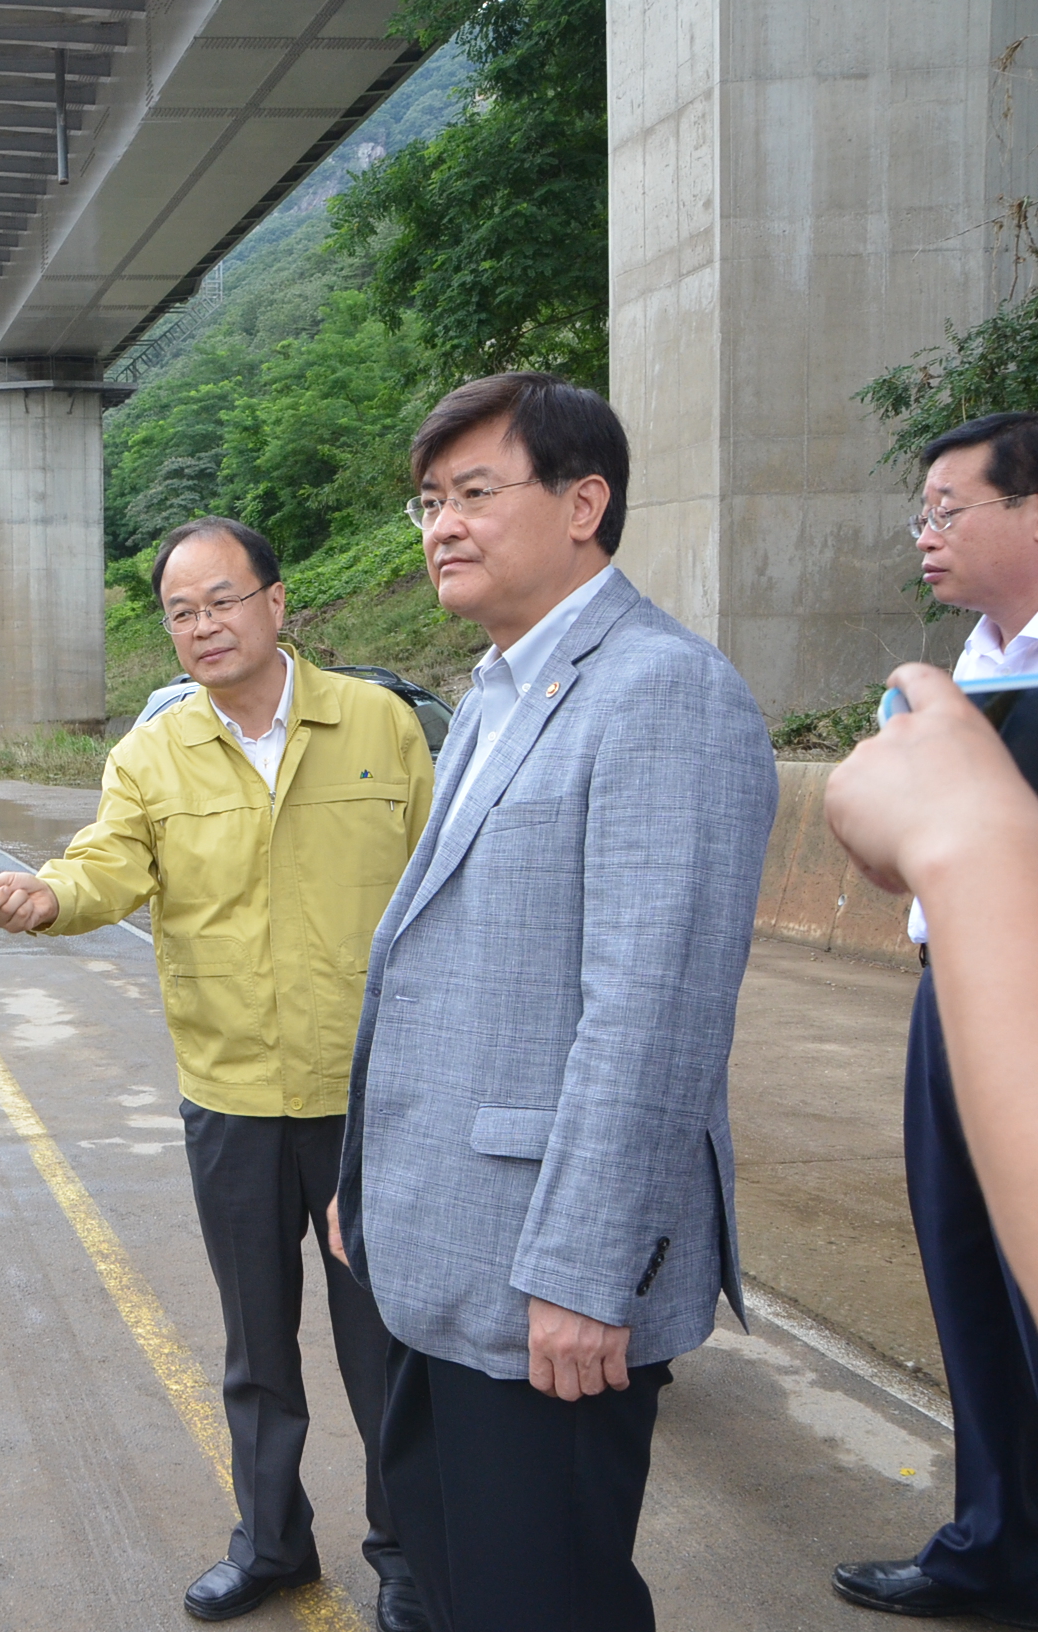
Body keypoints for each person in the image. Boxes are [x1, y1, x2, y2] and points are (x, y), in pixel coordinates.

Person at [324, 372, 778, 1632]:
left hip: (545, 1275)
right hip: (437, 1243)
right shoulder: (494, 690)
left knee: (546, 1597)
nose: (440, 527)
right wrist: (369, 1183)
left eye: (475, 492)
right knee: (454, 1576)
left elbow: (652, 1016)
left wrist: (586, 1275)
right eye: (427, 501)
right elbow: (441, 976)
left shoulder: (662, 692)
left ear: (586, 502)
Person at [0, 517, 437, 1630]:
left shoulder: (380, 726)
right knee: (256, 1346)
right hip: (229, 1099)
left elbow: (441, 890)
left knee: (386, 1348)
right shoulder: (151, 755)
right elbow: (105, 865)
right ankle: (272, 1546)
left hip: (369, 1098)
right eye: (180, 612)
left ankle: (409, 1557)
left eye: (221, 600)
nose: (202, 626)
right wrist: (46, 896)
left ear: (277, 603)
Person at [825, 412, 1038, 1626]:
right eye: (922, 513)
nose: (926, 534)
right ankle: (994, 1538)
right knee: (964, 1265)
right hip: (944, 996)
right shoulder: (965, 669)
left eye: (949, 509)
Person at [825, 664, 1038, 1286]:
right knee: (969, 1277)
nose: (921, 557)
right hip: (952, 980)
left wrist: (954, 849)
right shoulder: (978, 660)